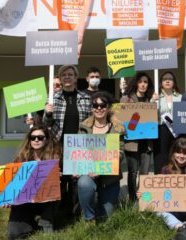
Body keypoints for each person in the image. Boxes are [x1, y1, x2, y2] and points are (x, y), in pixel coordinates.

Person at [44, 65, 92, 218]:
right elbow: (46, 125)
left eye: (70, 74)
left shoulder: (85, 98)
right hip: (58, 145)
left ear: (76, 78)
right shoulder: (53, 98)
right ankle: (59, 213)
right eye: (64, 75)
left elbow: (91, 121)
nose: (67, 77)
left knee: (76, 180)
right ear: (60, 78)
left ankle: (75, 213)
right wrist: (48, 114)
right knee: (59, 179)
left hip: (79, 146)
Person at [137, 137, 186, 240]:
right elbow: (158, 194)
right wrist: (144, 195)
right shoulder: (165, 170)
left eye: (185, 153)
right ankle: (181, 227)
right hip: (174, 210)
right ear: (173, 153)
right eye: (178, 152)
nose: (181, 156)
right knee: (153, 204)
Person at [77, 92, 125, 222]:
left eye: (102, 105)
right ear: (91, 108)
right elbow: (78, 151)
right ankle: (88, 217)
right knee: (84, 183)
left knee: (105, 218)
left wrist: (100, 168)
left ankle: (95, 208)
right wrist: (77, 168)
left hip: (109, 178)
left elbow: (119, 153)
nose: (99, 108)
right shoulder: (83, 127)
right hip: (89, 173)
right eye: (95, 105)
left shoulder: (116, 128)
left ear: (108, 107)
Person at [6, 125, 62, 240]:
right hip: (24, 203)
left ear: (46, 139)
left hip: (47, 203)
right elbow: (13, 184)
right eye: (33, 137)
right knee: (13, 234)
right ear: (29, 140)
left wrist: (57, 177)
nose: (36, 140)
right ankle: (30, 224)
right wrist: (7, 197)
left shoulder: (54, 158)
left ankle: (46, 221)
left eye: (40, 137)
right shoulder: (20, 159)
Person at [120, 71, 155, 201]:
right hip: (132, 142)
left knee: (144, 173)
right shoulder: (126, 98)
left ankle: (143, 200)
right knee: (133, 172)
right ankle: (133, 199)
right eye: (140, 82)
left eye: (145, 82)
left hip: (146, 142)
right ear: (135, 83)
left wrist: (152, 103)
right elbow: (122, 119)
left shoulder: (151, 99)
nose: (143, 84)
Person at [151, 71, 182, 174]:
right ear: (161, 82)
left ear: (174, 82)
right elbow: (149, 114)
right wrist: (152, 101)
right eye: (165, 79)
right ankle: (160, 179)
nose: (167, 80)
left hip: (176, 130)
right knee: (161, 157)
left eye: (170, 79)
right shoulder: (156, 97)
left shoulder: (181, 97)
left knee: (176, 156)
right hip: (161, 129)